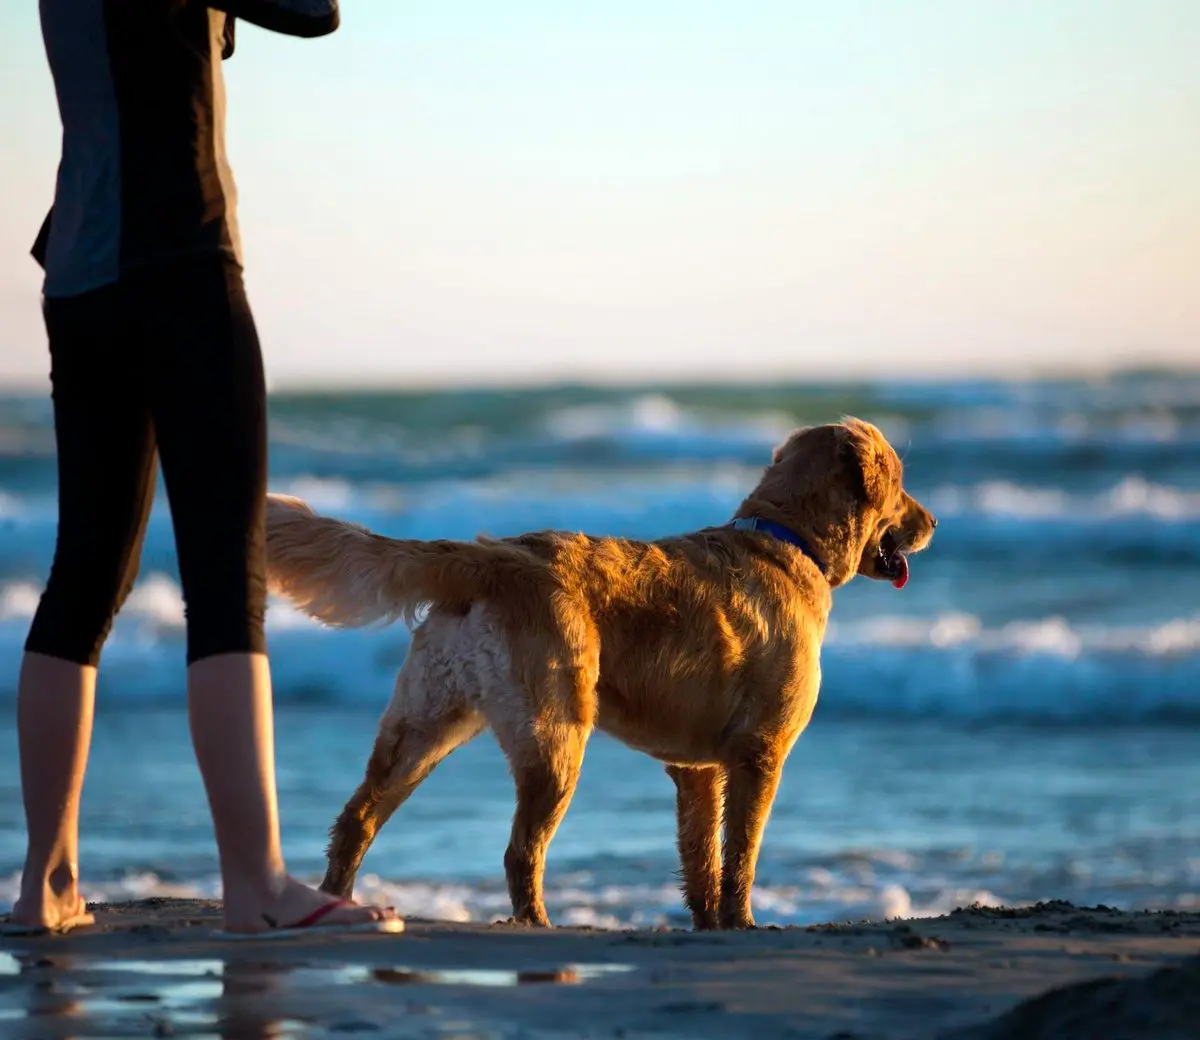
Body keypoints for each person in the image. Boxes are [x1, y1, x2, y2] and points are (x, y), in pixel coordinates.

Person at [3, 0, 401, 937]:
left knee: (84, 577)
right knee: (226, 581)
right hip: (180, 255)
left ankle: (45, 886)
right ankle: (257, 886)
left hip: (80, 273)